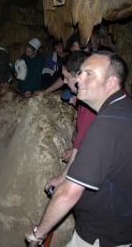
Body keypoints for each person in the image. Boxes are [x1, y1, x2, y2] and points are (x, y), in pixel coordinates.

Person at [26, 52, 132, 247]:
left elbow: (68, 193)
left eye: (89, 74)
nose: (79, 79)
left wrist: (38, 234)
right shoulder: (124, 108)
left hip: (103, 233)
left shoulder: (105, 126)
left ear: (111, 83)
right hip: (120, 222)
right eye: (81, 72)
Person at [44, 51, 95, 188]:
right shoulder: (92, 92)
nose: (64, 81)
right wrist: (73, 150)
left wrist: (62, 177)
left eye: (66, 77)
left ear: (79, 76)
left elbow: (83, 138)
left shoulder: (91, 103)